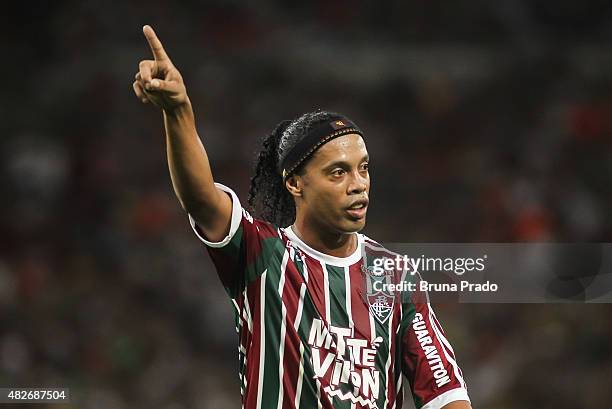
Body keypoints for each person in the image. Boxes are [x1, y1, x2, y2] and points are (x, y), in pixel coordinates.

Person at [132, 24, 472, 409]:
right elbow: (201, 198)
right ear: (295, 184)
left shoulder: (393, 276)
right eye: (338, 172)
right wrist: (179, 111)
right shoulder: (263, 253)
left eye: (363, 168)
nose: (358, 184)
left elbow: (445, 392)